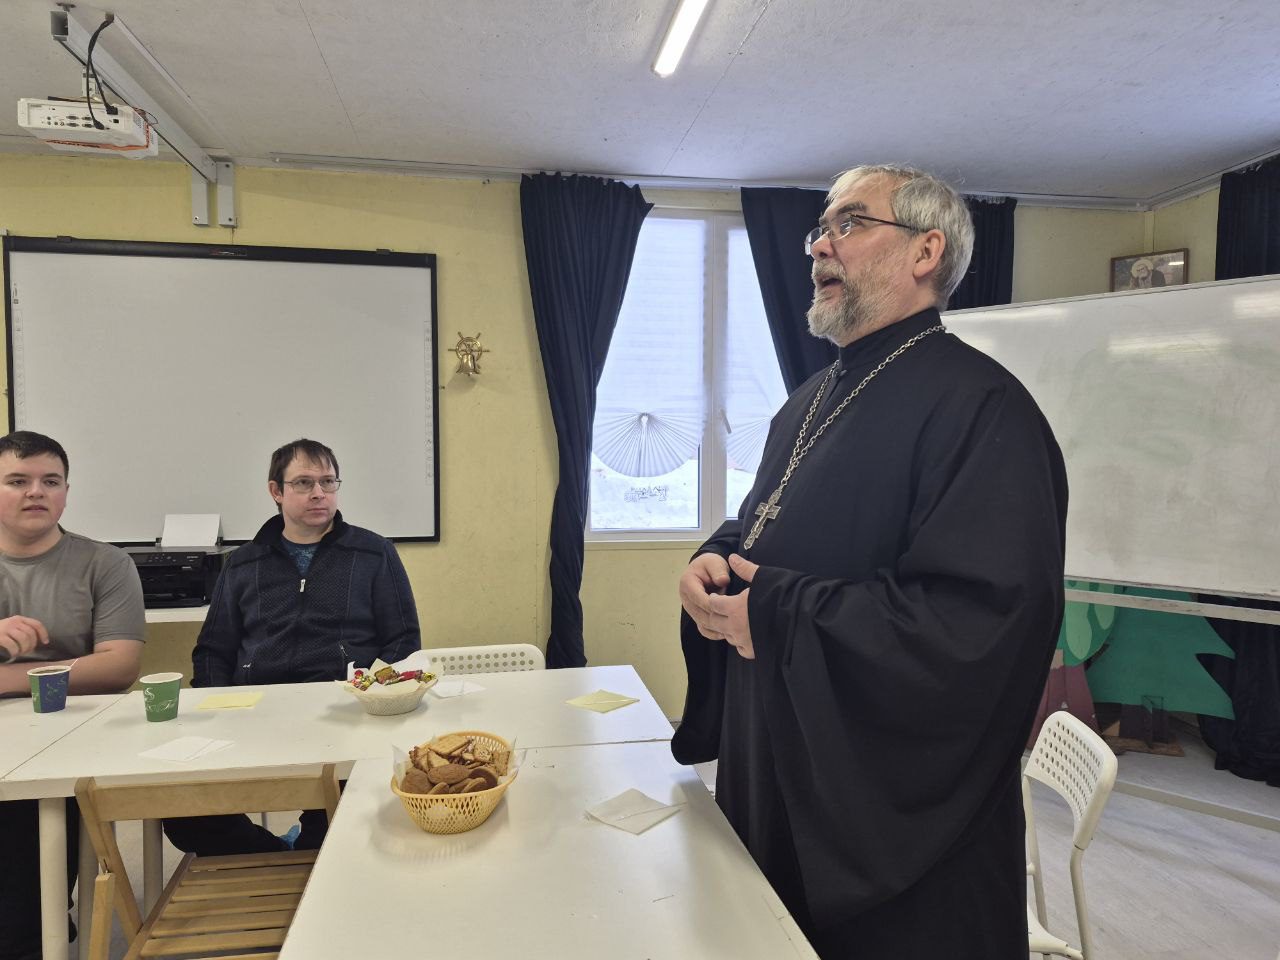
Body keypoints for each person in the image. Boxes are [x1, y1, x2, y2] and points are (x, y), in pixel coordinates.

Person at [673, 165, 1068, 960]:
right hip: (774, 763)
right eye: (820, 230)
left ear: (926, 251)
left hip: (891, 834)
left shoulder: (984, 408)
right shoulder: (809, 398)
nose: (821, 246)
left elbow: (977, 624)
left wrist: (777, 613)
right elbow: (764, 520)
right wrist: (716, 558)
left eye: (849, 224)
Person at [164, 438, 421, 855]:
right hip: (256, 715)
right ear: (276, 491)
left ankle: (310, 844)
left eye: (328, 482)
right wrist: (217, 712)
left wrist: (370, 696)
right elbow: (213, 650)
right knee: (181, 813)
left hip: (345, 714)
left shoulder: (373, 554)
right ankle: (276, 853)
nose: (319, 493)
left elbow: (404, 641)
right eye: (303, 483)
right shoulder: (243, 563)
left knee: (352, 817)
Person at [0, 431, 145, 960]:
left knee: (25, 870)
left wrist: (8, 678)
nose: (36, 492)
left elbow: (118, 666)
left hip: (67, 735)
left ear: (66, 491)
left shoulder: (104, 563)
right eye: (18, 481)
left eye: (51, 481)